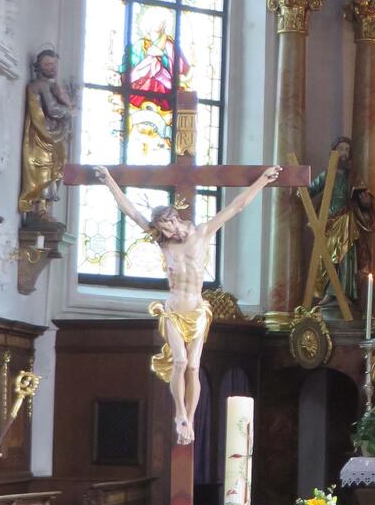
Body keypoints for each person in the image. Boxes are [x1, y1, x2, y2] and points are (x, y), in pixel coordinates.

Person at [94, 164, 281, 444]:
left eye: (166, 227)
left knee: (193, 366)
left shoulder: (202, 233)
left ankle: (190, 419)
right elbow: (131, 212)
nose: (165, 233)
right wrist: (109, 181)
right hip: (173, 309)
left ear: (173, 219)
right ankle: (179, 414)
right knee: (179, 361)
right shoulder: (163, 242)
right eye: (160, 230)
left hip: (196, 309)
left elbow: (236, 207)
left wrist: (263, 181)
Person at [309, 136, 375, 305]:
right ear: (334, 152)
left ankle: (342, 292)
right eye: (341, 149)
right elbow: (310, 190)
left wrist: (366, 202)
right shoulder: (327, 175)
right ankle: (328, 292)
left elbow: (364, 199)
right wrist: (297, 188)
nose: (344, 153)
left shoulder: (353, 177)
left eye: (347, 150)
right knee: (327, 256)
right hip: (328, 222)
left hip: (347, 221)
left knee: (345, 257)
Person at [18, 49, 76, 219]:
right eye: (48, 64)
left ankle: (45, 208)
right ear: (39, 67)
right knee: (44, 168)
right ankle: (39, 209)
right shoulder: (40, 85)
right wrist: (69, 110)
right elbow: (52, 110)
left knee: (56, 168)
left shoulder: (52, 86)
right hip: (43, 134)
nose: (53, 68)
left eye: (54, 64)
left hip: (54, 134)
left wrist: (63, 97)